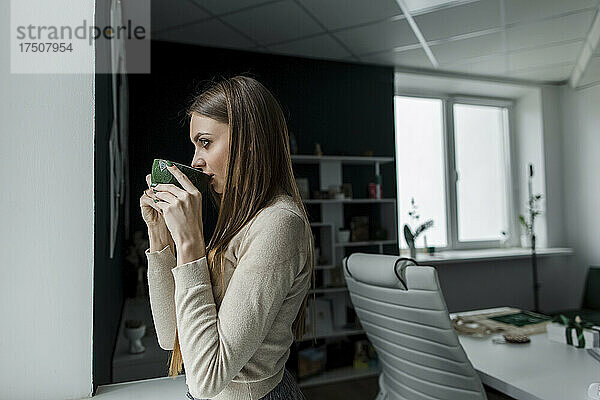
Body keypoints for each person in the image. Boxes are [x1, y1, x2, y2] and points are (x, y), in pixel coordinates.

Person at [139, 75, 316, 400]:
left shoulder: (279, 224)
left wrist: (191, 244)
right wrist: (160, 238)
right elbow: (171, 336)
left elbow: (207, 378)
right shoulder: (239, 219)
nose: (195, 160)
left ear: (249, 142)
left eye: (205, 142)